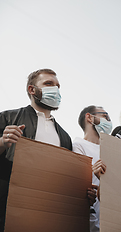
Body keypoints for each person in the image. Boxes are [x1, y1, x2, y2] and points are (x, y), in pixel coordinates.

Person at [0, 69, 96, 231]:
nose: (56, 90)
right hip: (8, 211)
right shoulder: (8, 118)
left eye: (58, 86)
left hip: (48, 215)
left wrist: (84, 194)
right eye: (49, 84)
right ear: (32, 90)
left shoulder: (64, 137)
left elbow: (64, 178)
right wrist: (3, 142)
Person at [73, 105, 112, 232]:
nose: (109, 121)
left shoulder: (111, 148)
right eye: (105, 116)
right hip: (92, 219)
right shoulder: (78, 146)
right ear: (89, 117)